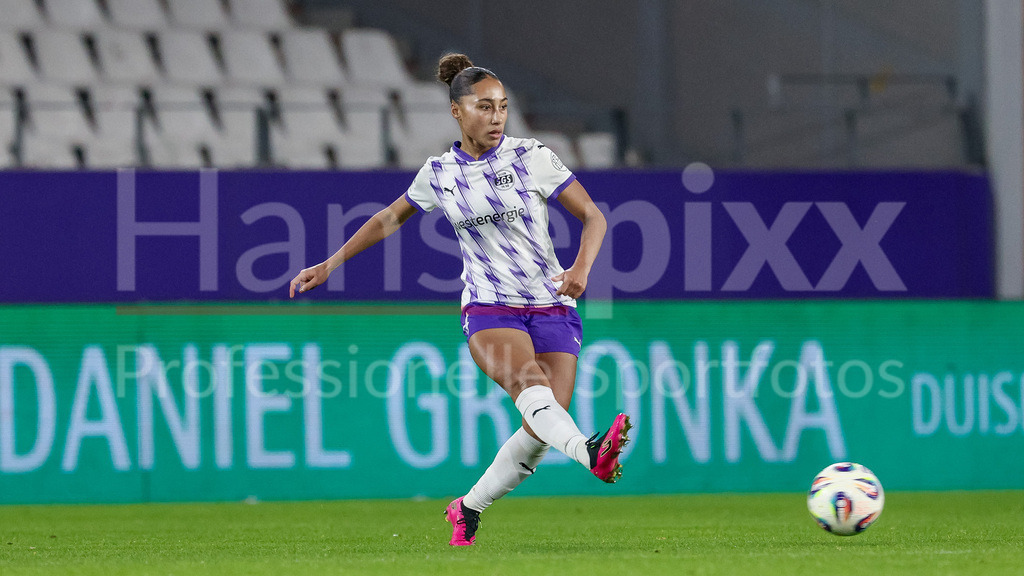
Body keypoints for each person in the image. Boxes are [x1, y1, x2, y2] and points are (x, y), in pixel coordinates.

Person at [288, 53, 630, 547]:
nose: (496, 118)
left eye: (503, 108)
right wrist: (330, 263)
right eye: (484, 107)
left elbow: (594, 217)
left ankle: (467, 508)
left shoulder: (531, 156)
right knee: (532, 390)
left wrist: (580, 270)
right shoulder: (440, 173)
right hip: (489, 308)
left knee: (540, 429)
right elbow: (388, 218)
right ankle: (589, 451)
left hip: (553, 304)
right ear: (457, 111)